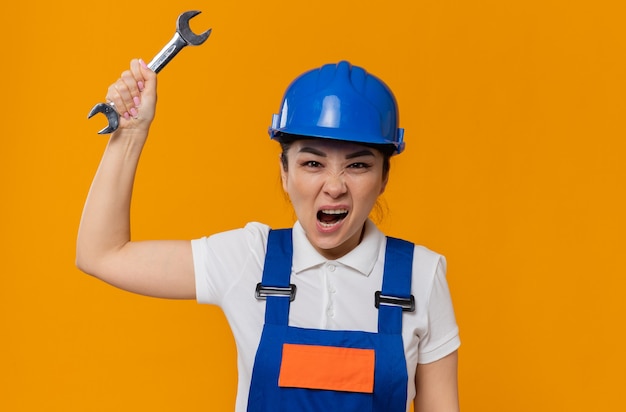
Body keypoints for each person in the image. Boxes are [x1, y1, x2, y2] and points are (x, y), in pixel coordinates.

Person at [76, 58, 461, 412]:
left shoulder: (421, 276)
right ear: (284, 172)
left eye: (358, 165)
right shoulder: (249, 258)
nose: (334, 186)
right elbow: (102, 254)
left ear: (383, 179)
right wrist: (129, 134)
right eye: (312, 163)